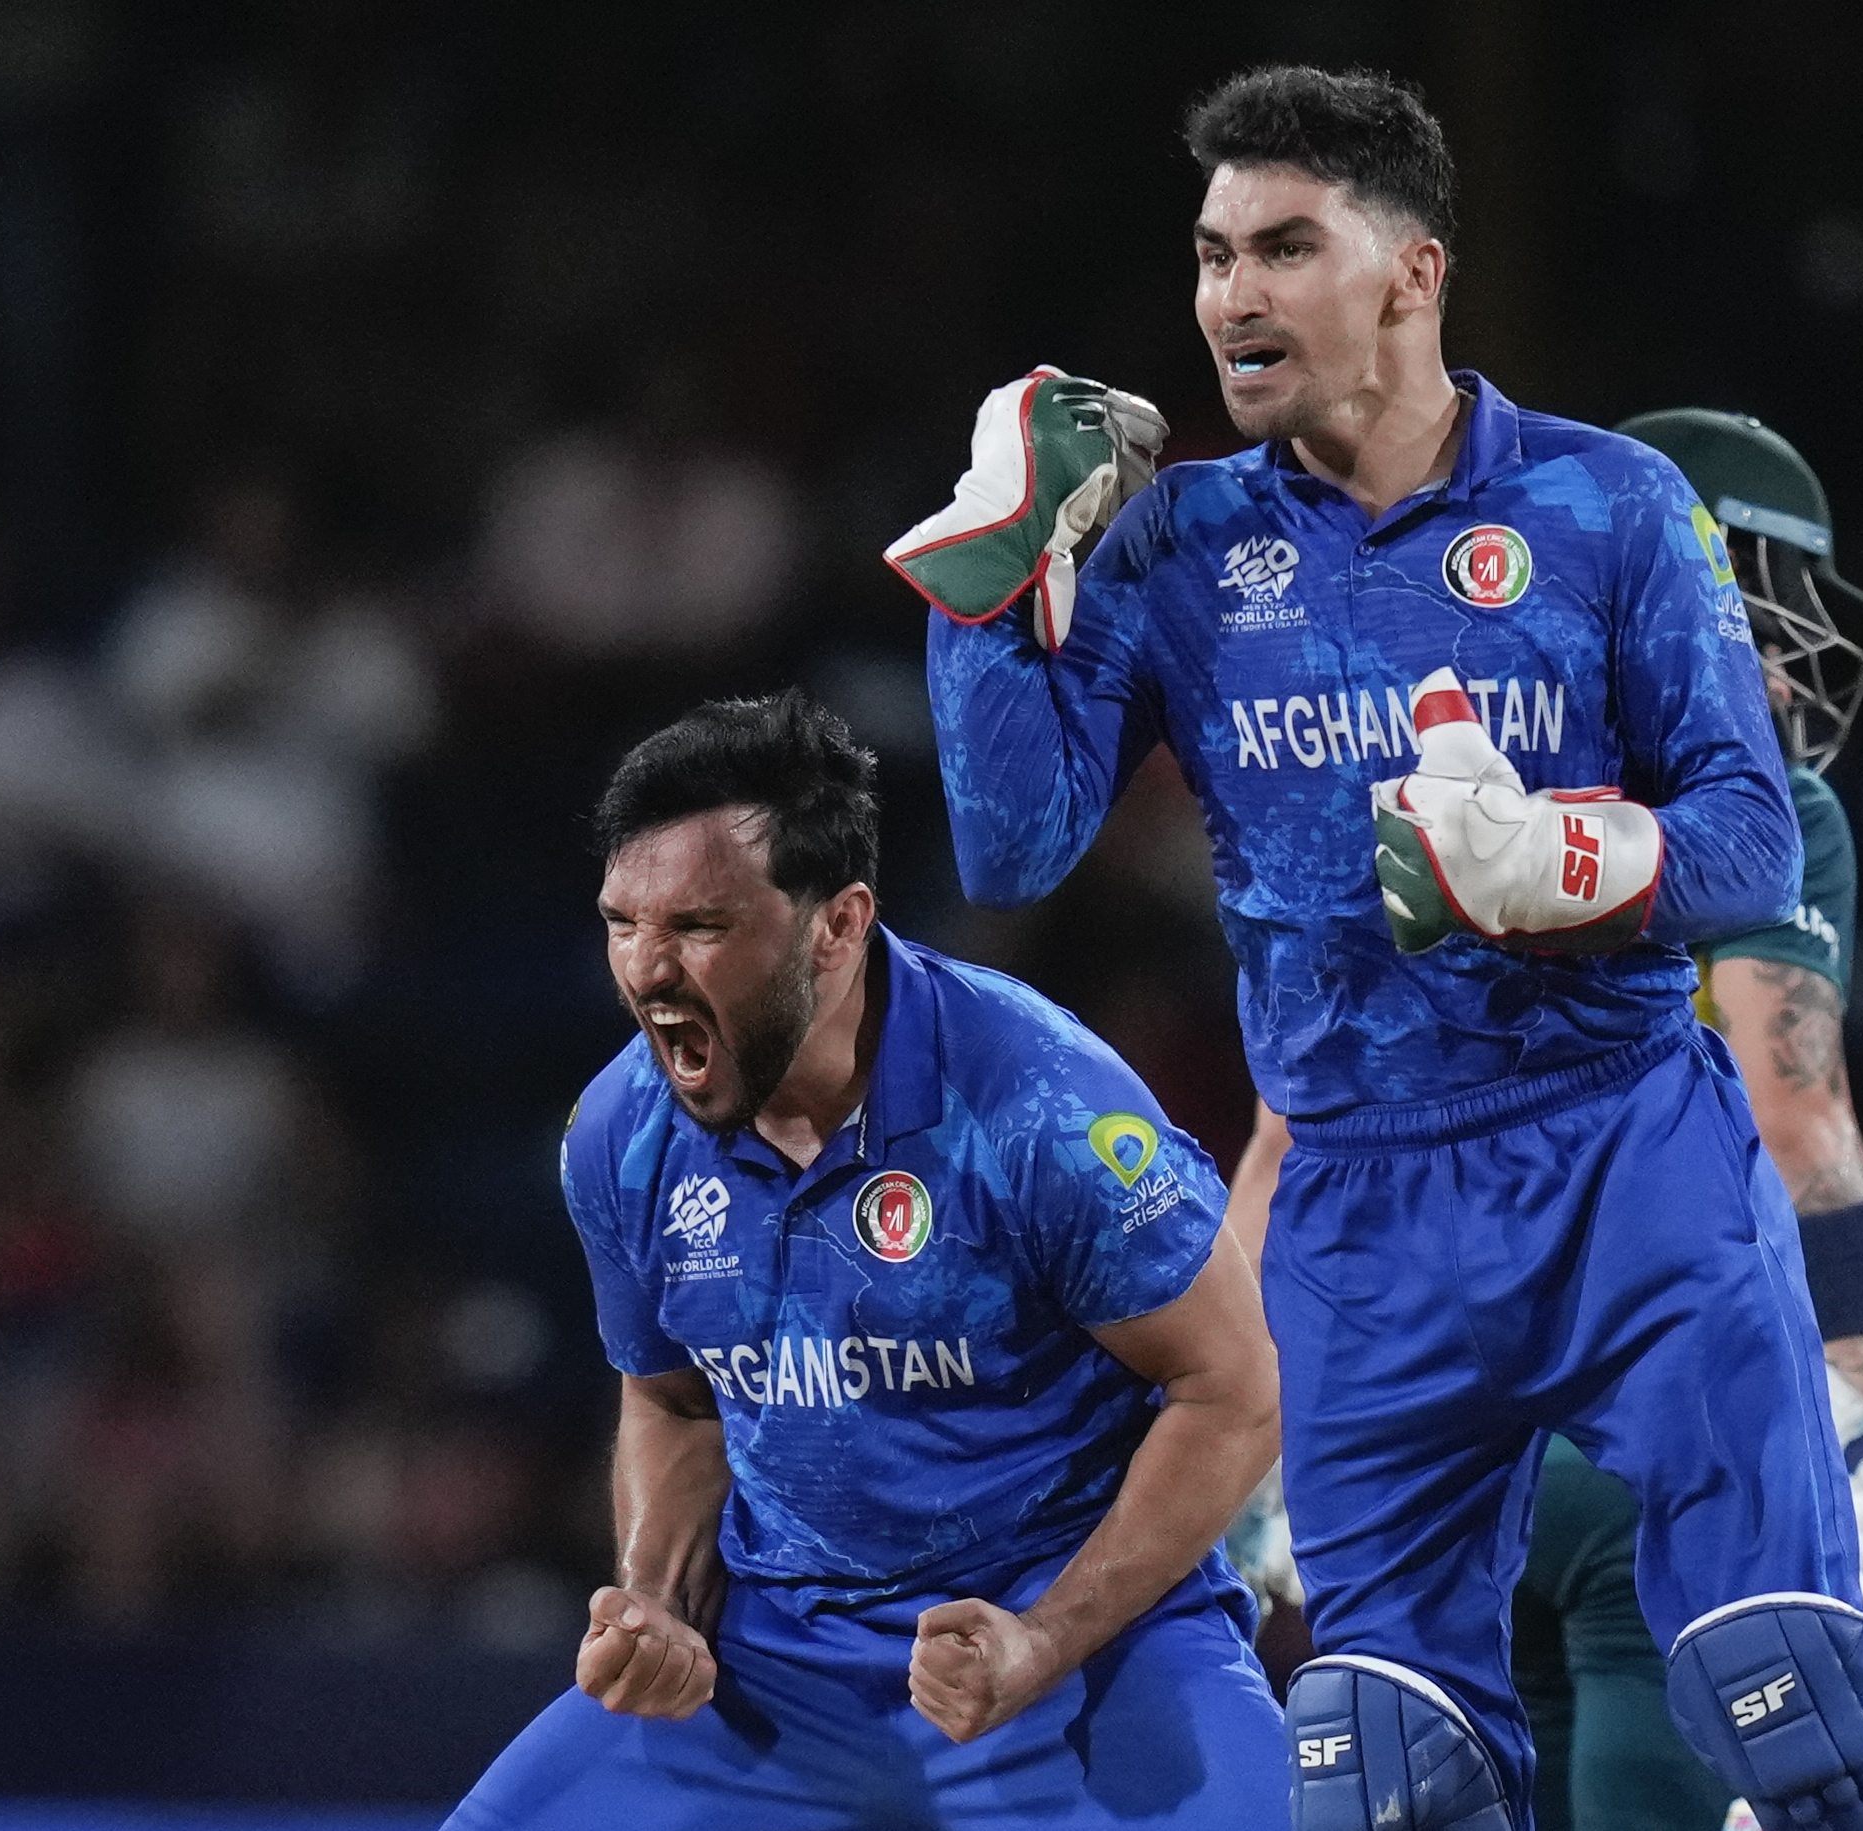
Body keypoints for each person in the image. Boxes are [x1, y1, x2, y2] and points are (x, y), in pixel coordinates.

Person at [895, 64, 1863, 1831]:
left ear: (1413, 274)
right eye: (1208, 257)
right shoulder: (1175, 542)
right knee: (1378, 1773)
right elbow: (1012, 842)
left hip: (1623, 1155)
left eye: (1282, 248)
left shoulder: (1610, 504)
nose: (1230, 299)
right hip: (1361, 1205)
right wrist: (990, 593)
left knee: (1787, 1701)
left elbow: (1740, 834)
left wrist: (1565, 853)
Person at [1231, 411, 1863, 1829]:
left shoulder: (1395, 782)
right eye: (1750, 595)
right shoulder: (1758, 802)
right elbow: (1796, 1115)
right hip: (1649, 1424)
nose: (1777, 655)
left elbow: (1294, 1144)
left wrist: (1243, 1444)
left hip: (1420, 1436)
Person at [443, 691, 1288, 1831]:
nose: (646, 970)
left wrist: (1042, 1639)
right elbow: (678, 1405)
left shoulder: (1040, 1109)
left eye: (698, 926)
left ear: (836, 925)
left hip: (1080, 1649)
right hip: (777, 1658)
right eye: (620, 922)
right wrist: (655, 1605)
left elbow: (1231, 1389)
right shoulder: (620, 1131)